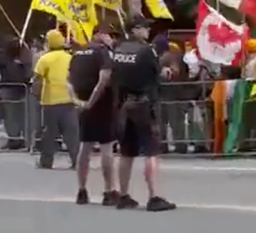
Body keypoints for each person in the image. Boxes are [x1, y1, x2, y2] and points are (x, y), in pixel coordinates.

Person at [111, 17, 176, 211]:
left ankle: (123, 195)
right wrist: (166, 72)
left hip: (123, 105)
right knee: (151, 151)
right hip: (144, 103)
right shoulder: (146, 51)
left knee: (126, 153)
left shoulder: (118, 50)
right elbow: (158, 74)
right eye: (146, 27)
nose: (148, 31)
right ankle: (154, 196)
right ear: (136, 30)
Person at [68, 26, 119, 205]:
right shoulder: (102, 52)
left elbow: (68, 80)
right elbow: (104, 79)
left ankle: (81, 190)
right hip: (102, 103)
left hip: (82, 103)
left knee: (85, 146)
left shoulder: (78, 53)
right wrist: (91, 101)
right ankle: (109, 190)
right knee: (106, 148)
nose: (109, 38)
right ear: (98, 35)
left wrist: (77, 101)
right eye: (107, 34)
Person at [33, 29, 79, 169]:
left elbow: (38, 79)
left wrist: (37, 94)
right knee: (71, 132)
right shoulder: (70, 57)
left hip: (50, 101)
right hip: (69, 99)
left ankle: (46, 162)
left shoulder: (45, 59)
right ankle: (77, 160)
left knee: (50, 132)